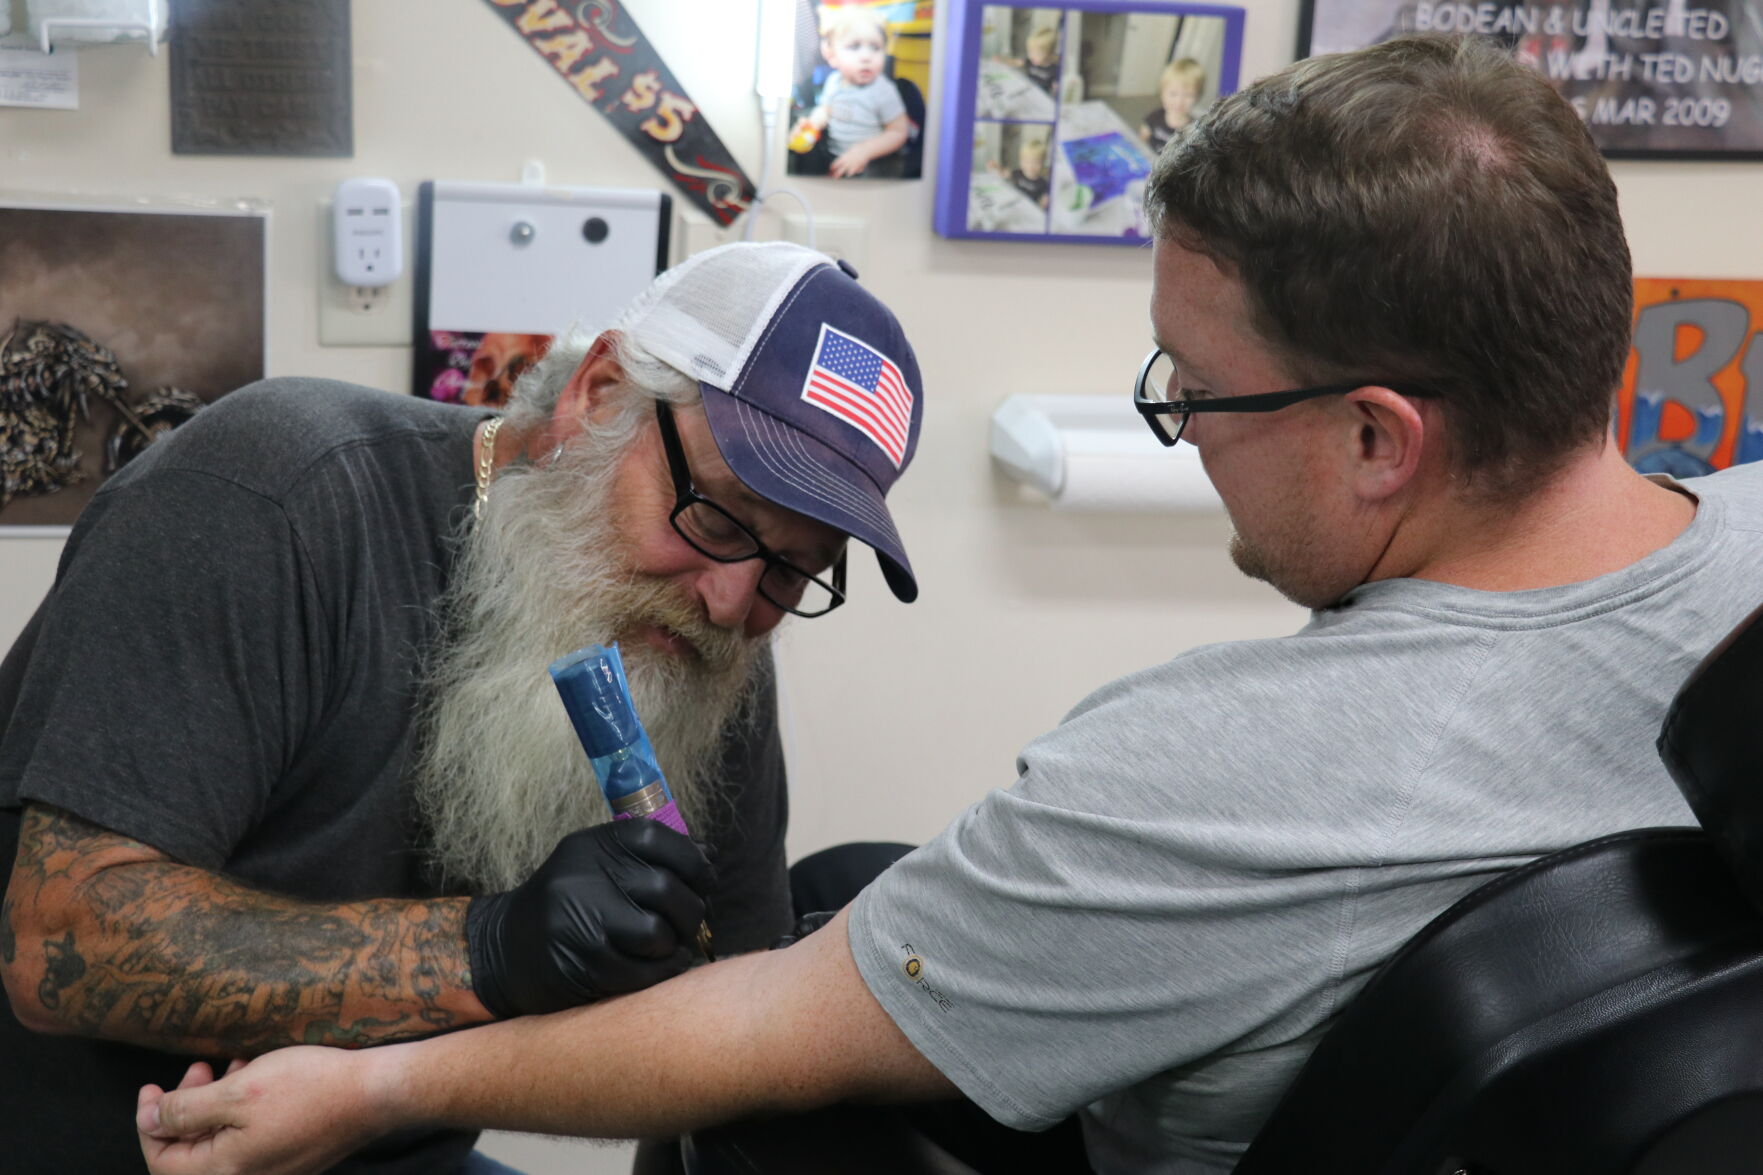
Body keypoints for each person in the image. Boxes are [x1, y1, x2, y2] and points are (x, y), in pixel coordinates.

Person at [134, 34, 1763, 1175]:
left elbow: (771, 1024)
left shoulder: (1203, 777)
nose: (1178, 428)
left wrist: (369, 1090)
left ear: (1371, 435)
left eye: (1194, 392)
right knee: (855, 881)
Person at [0, 240, 927, 1175]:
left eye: (791, 568)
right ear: (598, 394)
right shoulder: (277, 496)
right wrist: (487, 949)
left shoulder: (705, 640)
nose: (733, 602)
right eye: (718, 516)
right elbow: (61, 938)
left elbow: (723, 1025)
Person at [792, 6, 910, 179]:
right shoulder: (834, 82)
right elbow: (826, 110)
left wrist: (864, 151)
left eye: (875, 47)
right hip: (836, 157)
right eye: (854, 47)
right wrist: (812, 124)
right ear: (832, 56)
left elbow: (899, 132)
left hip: (871, 164)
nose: (866, 57)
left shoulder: (882, 90)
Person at [1140, 57, 1206, 154]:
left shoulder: (1194, 131)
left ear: (1197, 97)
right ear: (1162, 94)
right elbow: (1141, 139)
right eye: (1173, 94)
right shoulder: (1155, 116)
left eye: (1188, 95)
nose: (1179, 102)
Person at [995, 25, 1062, 97]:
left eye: (1036, 53)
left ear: (1049, 53)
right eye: (1030, 52)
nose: (1031, 56)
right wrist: (1002, 60)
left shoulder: (1054, 70)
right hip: (1027, 92)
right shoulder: (1031, 61)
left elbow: (1056, 90)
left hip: (1040, 97)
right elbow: (1016, 62)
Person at [988, 133, 1051, 209]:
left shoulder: (1043, 183)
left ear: (1043, 163)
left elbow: (1042, 204)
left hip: (1027, 210)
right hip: (1012, 205)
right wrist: (996, 166)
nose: (1030, 166)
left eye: (1036, 162)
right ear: (1020, 161)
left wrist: (1044, 203)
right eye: (1026, 161)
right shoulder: (1018, 173)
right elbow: (1004, 173)